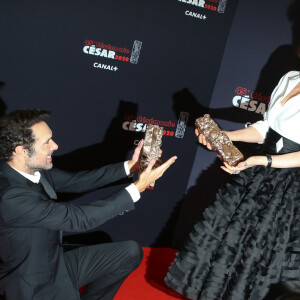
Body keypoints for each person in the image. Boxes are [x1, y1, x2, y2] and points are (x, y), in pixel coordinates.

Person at [0, 109, 177, 300]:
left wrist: (131, 166)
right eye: (46, 142)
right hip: (34, 283)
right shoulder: (10, 196)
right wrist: (138, 187)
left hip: (57, 261)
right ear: (21, 150)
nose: (55, 145)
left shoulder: (31, 168)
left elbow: (77, 181)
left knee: (129, 252)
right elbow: (80, 218)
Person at [165, 70, 300, 300]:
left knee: (266, 258)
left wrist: (264, 160)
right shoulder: (291, 77)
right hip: (257, 176)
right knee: (231, 248)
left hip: (288, 187)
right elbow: (266, 128)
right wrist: (224, 136)